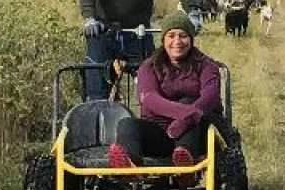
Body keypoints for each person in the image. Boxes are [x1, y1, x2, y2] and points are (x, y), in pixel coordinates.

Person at [112, 13, 237, 176]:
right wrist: (186, 113)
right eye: (171, 36)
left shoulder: (206, 66)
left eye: (183, 36)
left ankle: (185, 170)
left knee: (189, 105)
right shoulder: (148, 67)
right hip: (159, 133)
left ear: (191, 39)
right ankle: (130, 169)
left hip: (195, 135)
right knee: (126, 124)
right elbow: (149, 99)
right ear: (163, 40)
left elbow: (210, 98)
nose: (177, 42)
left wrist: (186, 119)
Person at [79, 0, 154, 102]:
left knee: (150, 87)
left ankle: (151, 114)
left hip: (138, 31)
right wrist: (89, 17)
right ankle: (98, 111)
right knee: (97, 87)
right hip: (102, 31)